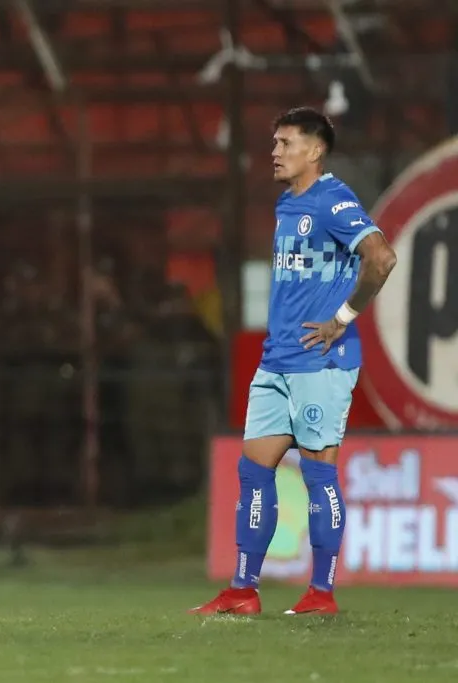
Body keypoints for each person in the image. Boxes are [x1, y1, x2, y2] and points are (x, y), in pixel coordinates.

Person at [192, 107, 397, 616]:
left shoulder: (334, 200)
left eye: (285, 143)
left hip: (322, 363)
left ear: (315, 149)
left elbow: (382, 257)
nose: (275, 152)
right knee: (254, 473)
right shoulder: (288, 205)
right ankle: (243, 591)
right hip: (277, 361)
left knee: (318, 475)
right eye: (275, 143)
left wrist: (344, 317)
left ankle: (321, 593)